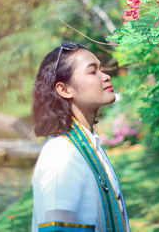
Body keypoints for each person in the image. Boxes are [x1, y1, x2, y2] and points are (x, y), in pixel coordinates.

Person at [32, 42, 130, 232]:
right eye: (93, 72)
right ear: (65, 89)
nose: (106, 76)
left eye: (102, 69)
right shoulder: (62, 155)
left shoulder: (88, 146)